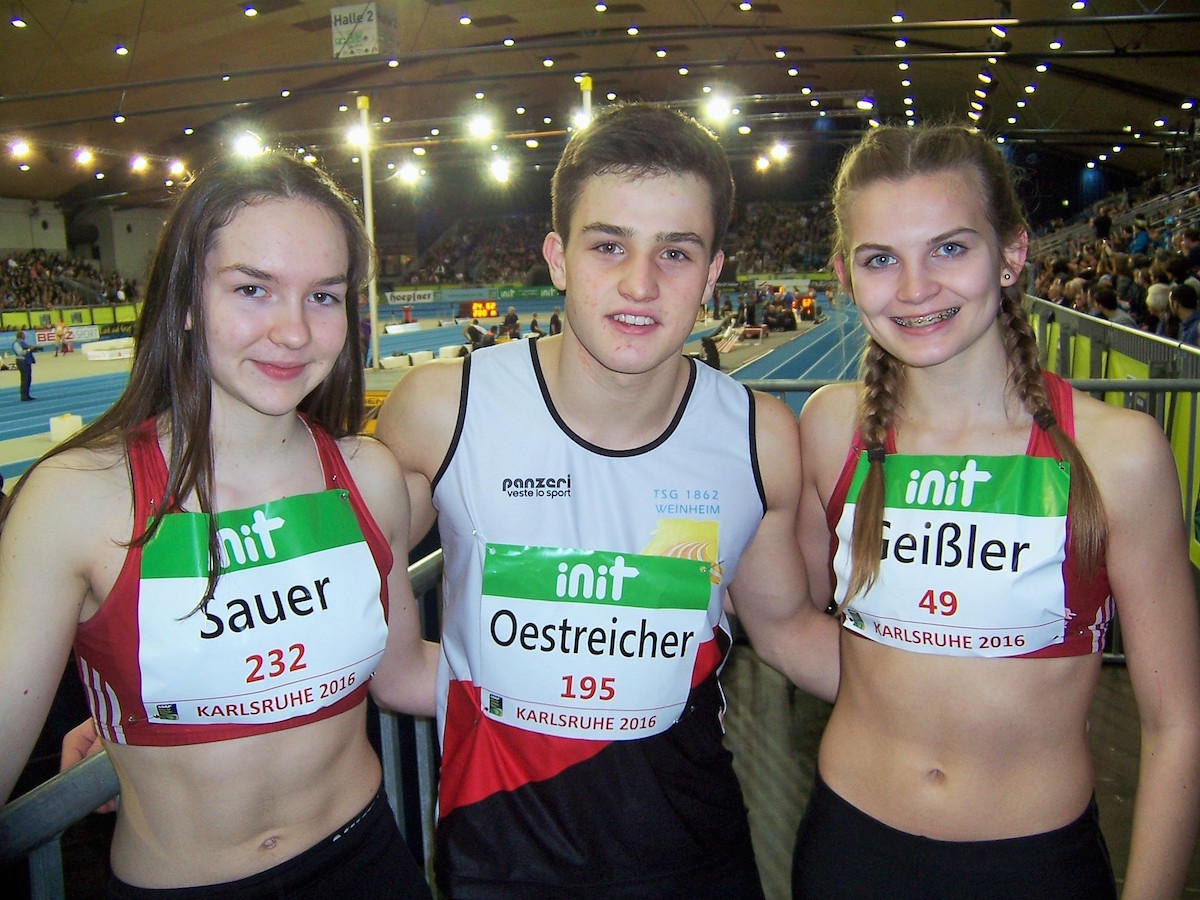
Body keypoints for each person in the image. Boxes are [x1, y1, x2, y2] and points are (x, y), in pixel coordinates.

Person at [375, 102, 839, 898]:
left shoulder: (756, 437)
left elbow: (791, 630)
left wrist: (972, 692)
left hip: (691, 857)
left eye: (676, 252)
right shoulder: (441, 411)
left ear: (713, 273)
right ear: (558, 257)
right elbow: (361, 625)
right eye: (608, 245)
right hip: (499, 861)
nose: (640, 283)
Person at [0, 152, 437, 898]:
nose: (293, 332)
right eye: (252, 289)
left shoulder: (367, 476)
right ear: (186, 299)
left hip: (368, 863)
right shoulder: (76, 500)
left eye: (323, 296)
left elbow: (403, 675)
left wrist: (606, 666)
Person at [793, 124, 1200, 898]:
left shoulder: (1118, 455)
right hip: (849, 849)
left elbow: (1178, 721)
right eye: (881, 259)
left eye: (949, 248)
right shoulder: (829, 428)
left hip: (1035, 864)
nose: (915, 288)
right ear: (845, 274)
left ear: (1011, 253)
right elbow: (788, 619)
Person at [11, 328, 36, 401]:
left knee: (28, 378)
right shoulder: (16, 343)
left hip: (26, 361)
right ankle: (23, 395)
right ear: (21, 335)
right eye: (24, 335)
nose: (25, 336)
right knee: (25, 378)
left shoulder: (22, 342)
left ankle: (27, 394)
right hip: (21, 361)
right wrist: (29, 350)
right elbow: (20, 352)